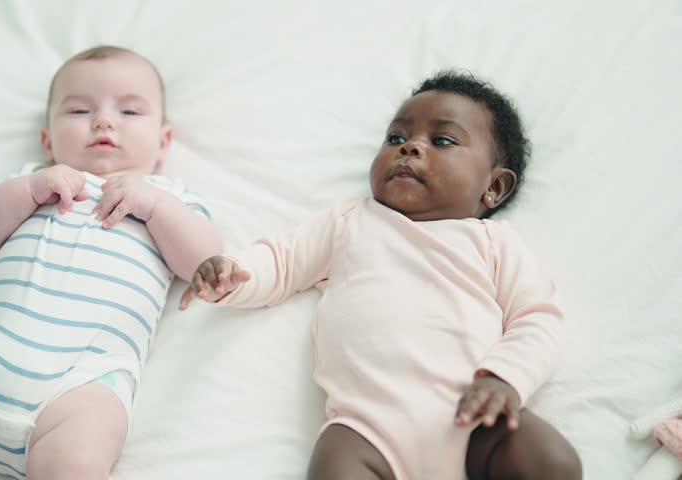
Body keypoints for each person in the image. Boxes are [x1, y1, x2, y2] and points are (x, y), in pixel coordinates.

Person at [179, 70, 581, 480]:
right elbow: (282, 262)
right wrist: (233, 272)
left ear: (494, 187)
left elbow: (538, 317)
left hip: (476, 416)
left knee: (550, 460)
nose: (410, 147)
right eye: (396, 138)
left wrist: (505, 378)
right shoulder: (350, 222)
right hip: (367, 431)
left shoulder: (492, 241)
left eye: (441, 140)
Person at [0, 45, 223, 480]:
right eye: (78, 110)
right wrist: (30, 190)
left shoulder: (172, 199)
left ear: (163, 142)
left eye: (129, 111)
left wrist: (155, 206)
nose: (104, 121)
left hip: (83, 386)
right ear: (47, 139)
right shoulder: (31, 185)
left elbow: (204, 262)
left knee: (73, 463)